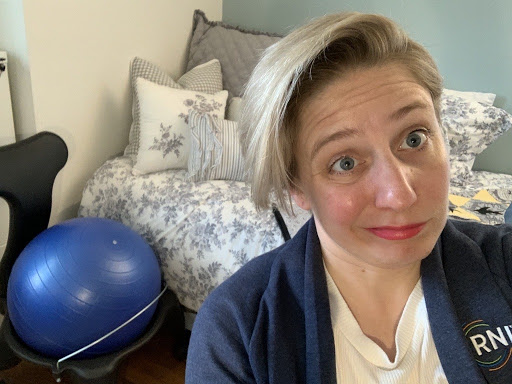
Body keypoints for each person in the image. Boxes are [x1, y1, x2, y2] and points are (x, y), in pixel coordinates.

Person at [185, 12, 512, 384]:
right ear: (296, 187)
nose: (400, 195)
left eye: (414, 138)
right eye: (345, 162)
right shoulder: (236, 331)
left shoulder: (503, 263)